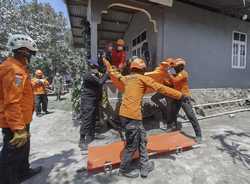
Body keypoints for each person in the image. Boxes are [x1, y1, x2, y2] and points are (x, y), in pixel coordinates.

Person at [103, 57, 184, 178]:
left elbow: (116, 74)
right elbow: (160, 88)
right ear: (142, 69)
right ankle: (124, 169)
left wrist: (108, 65)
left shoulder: (127, 78)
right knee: (132, 144)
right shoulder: (143, 78)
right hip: (132, 117)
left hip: (128, 115)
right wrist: (180, 95)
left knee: (142, 140)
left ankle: (144, 166)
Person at [0, 34, 42, 184]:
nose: (30, 57)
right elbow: (12, 102)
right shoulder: (13, 70)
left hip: (22, 119)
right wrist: (18, 128)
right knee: (11, 155)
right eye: (30, 54)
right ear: (24, 52)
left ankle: (23, 171)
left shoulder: (20, 69)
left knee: (23, 150)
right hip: (14, 123)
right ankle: (8, 180)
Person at [168, 58, 202, 143]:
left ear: (181, 67)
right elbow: (172, 82)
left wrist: (168, 73)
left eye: (176, 67)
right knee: (173, 114)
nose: (174, 68)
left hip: (184, 98)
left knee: (190, 115)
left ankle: (199, 135)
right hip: (177, 97)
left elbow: (175, 80)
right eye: (174, 67)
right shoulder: (176, 74)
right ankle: (174, 129)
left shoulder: (184, 73)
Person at [79, 59, 109, 151]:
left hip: (94, 100)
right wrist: (107, 73)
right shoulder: (88, 75)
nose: (96, 69)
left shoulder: (94, 74)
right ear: (90, 67)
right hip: (88, 101)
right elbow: (100, 82)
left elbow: (99, 81)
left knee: (93, 118)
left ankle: (92, 135)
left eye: (96, 67)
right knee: (87, 119)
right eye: (94, 67)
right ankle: (81, 140)